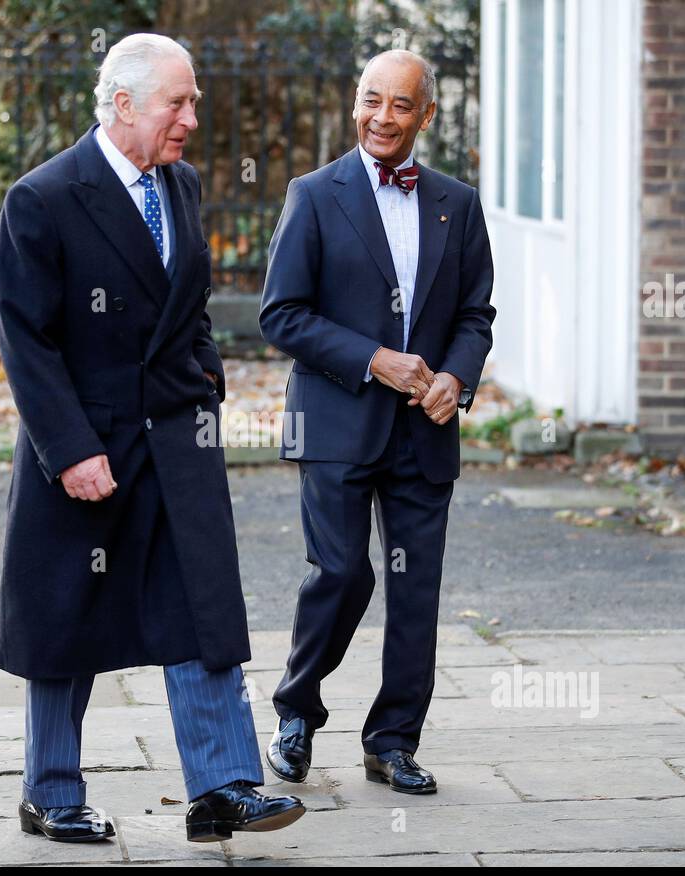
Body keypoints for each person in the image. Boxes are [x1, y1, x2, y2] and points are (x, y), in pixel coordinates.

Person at [0, 33, 305, 843]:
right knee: (67, 616)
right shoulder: (44, 197)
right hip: (87, 446)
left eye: (193, 100)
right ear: (123, 104)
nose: (192, 117)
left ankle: (224, 788)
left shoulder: (184, 185)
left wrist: (207, 383)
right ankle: (50, 792)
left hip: (179, 439)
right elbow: (27, 339)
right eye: (180, 101)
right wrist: (70, 450)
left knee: (200, 609)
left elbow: (190, 306)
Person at [258, 50, 496, 795]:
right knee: (341, 570)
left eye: (400, 106)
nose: (382, 118)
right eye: (371, 100)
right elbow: (282, 315)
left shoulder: (459, 201)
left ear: (427, 115)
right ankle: (296, 711)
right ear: (353, 102)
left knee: (415, 588)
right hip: (336, 421)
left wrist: (455, 379)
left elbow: (474, 314)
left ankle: (392, 742)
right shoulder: (313, 194)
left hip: (425, 431)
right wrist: (374, 360)